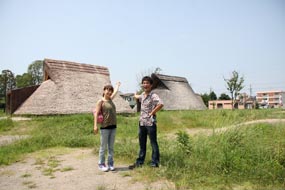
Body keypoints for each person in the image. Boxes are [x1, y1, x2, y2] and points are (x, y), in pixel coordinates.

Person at [129, 76, 164, 169]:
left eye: (147, 83)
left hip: (150, 123)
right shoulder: (142, 95)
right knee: (142, 143)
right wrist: (135, 94)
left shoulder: (153, 95)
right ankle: (140, 162)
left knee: (153, 143)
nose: (145, 85)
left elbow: (161, 104)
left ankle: (155, 162)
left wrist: (153, 112)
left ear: (151, 85)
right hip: (142, 123)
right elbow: (136, 97)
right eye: (143, 83)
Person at [93, 82, 121, 172]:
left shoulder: (111, 99)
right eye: (107, 90)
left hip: (113, 126)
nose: (109, 92)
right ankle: (101, 164)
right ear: (104, 91)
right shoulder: (100, 101)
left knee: (111, 147)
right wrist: (95, 126)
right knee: (103, 147)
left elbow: (116, 92)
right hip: (105, 127)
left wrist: (117, 85)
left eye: (110, 90)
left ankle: (110, 163)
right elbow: (96, 114)